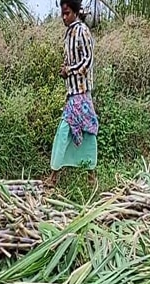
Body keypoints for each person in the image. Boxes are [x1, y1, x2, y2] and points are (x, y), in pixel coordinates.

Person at [50, 0, 98, 184]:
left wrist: (68, 70)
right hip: (73, 92)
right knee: (83, 132)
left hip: (82, 93)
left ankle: (55, 176)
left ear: (76, 12)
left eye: (67, 13)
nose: (64, 17)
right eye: (62, 13)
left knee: (68, 131)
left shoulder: (82, 31)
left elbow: (87, 61)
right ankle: (89, 176)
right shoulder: (69, 32)